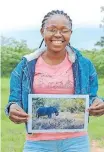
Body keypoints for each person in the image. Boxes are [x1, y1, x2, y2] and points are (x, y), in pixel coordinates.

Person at [5, 10, 104, 152]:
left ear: (70, 33)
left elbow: (92, 97)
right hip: (37, 143)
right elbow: (14, 100)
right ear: (42, 31)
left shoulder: (84, 65)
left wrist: (98, 104)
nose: (58, 34)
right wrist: (13, 108)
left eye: (64, 30)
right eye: (52, 29)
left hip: (76, 142)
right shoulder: (25, 66)